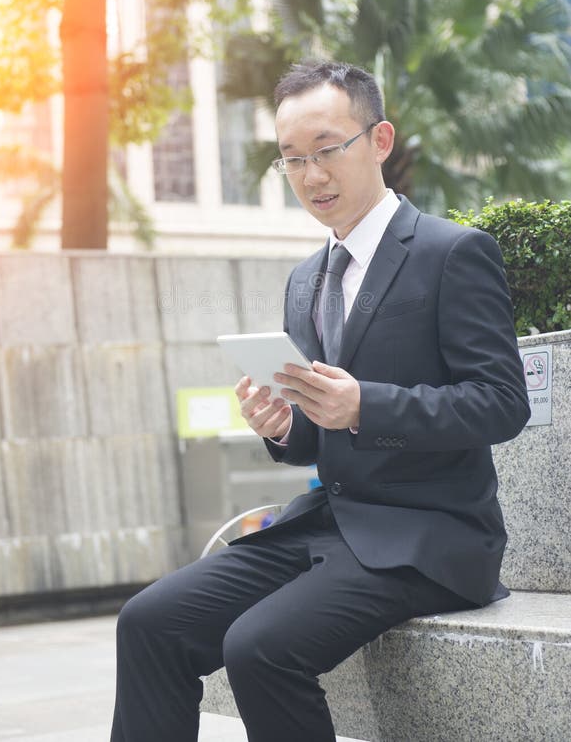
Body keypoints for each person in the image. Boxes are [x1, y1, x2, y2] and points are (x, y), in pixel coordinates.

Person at [110, 61, 530, 742]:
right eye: (293, 159)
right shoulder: (306, 279)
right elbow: (311, 439)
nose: (311, 176)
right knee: (149, 621)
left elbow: (500, 404)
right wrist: (281, 426)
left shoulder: (451, 253)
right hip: (328, 525)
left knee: (259, 646)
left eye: (328, 149)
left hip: (433, 536)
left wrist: (367, 406)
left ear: (380, 140)